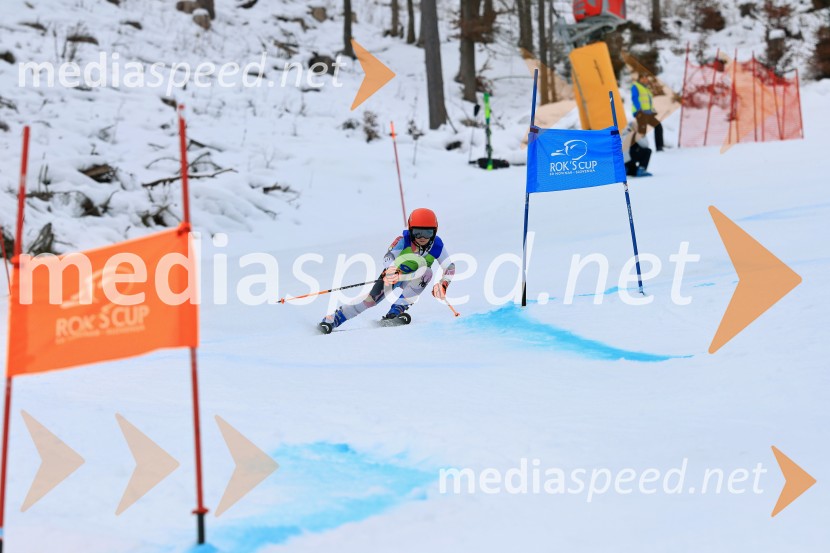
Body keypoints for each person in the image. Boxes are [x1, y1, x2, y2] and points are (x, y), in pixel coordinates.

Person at [319, 208, 456, 334]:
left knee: (426, 273)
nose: (422, 237)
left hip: (414, 278)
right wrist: (391, 269)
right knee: (369, 301)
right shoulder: (404, 240)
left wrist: (444, 284)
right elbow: (388, 257)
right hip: (394, 275)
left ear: (435, 231)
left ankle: (395, 312)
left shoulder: (437, 245)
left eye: (428, 233)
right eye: (417, 232)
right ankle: (333, 320)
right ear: (410, 230)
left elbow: (450, 267)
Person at [631, 73, 664, 152]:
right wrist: (639, 109)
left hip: (648, 114)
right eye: (643, 78)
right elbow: (634, 98)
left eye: (646, 78)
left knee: (658, 126)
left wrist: (652, 111)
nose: (645, 79)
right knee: (642, 131)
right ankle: (639, 150)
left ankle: (659, 147)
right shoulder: (635, 86)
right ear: (639, 79)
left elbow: (648, 102)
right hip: (640, 113)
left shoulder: (646, 88)